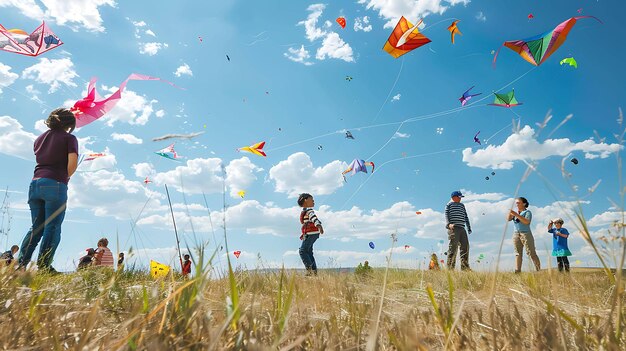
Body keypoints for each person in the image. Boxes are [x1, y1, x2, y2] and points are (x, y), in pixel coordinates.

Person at [17, 108, 78, 274]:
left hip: (35, 184)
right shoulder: (69, 138)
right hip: (55, 184)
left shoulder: (39, 139)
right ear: (68, 124)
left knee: (36, 227)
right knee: (52, 227)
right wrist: (67, 176)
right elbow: (71, 164)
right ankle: (44, 267)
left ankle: (21, 265)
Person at [508, 197, 541, 273]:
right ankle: (517, 271)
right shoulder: (516, 212)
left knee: (531, 253)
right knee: (517, 253)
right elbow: (508, 219)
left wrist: (516, 214)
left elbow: (527, 222)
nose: (517, 204)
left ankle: (538, 271)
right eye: (516, 203)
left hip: (526, 234)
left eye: (518, 202)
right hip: (516, 234)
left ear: (524, 204)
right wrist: (510, 214)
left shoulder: (527, 212)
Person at [298, 193, 324, 276]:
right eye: (311, 200)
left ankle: (309, 271)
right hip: (312, 234)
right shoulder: (306, 210)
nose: (313, 201)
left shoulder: (309, 211)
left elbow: (314, 218)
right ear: (305, 200)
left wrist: (318, 225)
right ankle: (314, 272)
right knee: (309, 252)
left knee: (302, 251)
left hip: (311, 233)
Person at [445, 191, 472, 270]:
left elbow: (466, 216)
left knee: (465, 247)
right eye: (459, 197)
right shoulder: (449, 205)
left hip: (462, 229)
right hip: (454, 228)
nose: (460, 199)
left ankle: (465, 267)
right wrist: (448, 224)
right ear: (454, 197)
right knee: (453, 248)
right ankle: (450, 268)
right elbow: (446, 215)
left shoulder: (462, 205)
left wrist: (469, 227)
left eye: (461, 197)